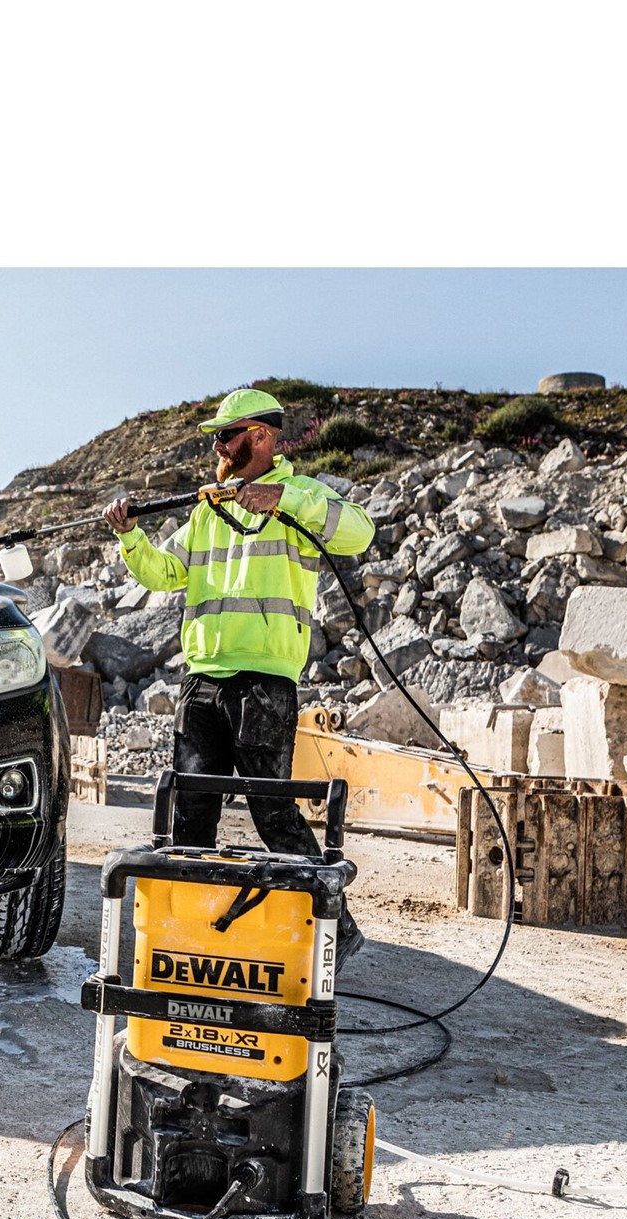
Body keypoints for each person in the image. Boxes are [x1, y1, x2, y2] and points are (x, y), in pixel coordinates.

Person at [105, 386, 377, 966]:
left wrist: (284, 500)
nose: (216, 448)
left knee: (272, 811)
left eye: (224, 436)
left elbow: (360, 532)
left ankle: (339, 927)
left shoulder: (302, 496)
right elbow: (164, 572)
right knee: (191, 815)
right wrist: (130, 535)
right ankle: (188, 933)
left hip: (264, 683)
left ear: (259, 436)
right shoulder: (209, 510)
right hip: (203, 681)